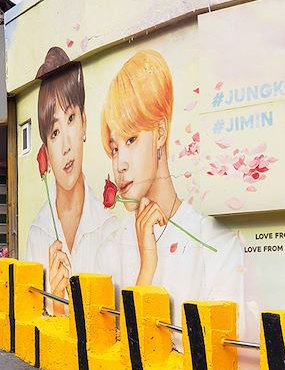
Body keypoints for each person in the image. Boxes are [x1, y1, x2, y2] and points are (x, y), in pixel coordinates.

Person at [100, 49, 245, 330]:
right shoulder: (112, 245)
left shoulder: (216, 245)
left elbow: (222, 351)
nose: (120, 163)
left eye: (131, 139)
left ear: (161, 133)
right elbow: (115, 342)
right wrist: (147, 268)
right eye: (115, 148)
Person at [25, 46, 118, 315]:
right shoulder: (38, 233)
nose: (66, 145)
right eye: (55, 132)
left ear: (85, 124)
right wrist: (54, 301)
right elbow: (31, 320)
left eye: (71, 119)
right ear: (46, 149)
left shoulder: (109, 226)